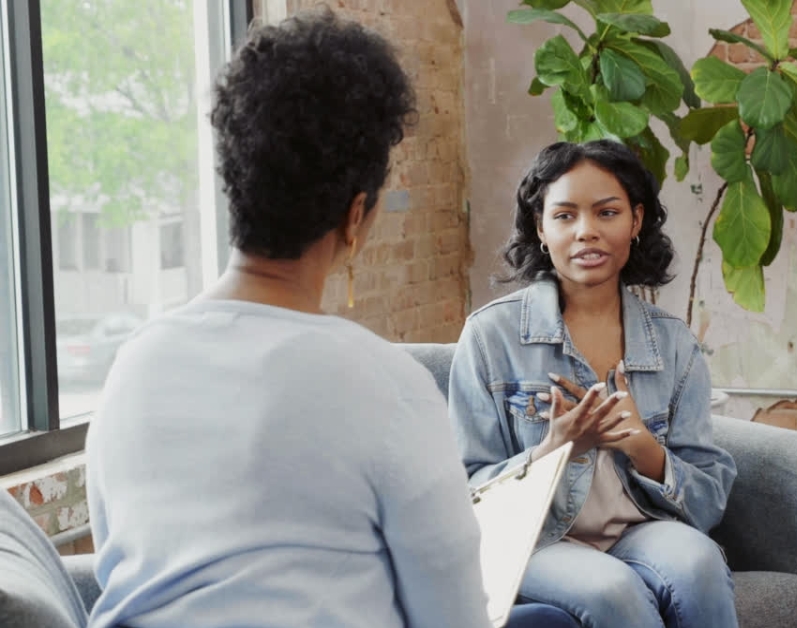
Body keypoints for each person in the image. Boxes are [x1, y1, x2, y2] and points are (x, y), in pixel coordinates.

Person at [84, 10, 575, 628]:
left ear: (236, 185)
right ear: (356, 214)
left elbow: (119, 564)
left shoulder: (135, 362)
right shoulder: (382, 382)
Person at [448, 140, 740, 628]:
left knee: (699, 561)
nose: (587, 232)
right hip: (537, 539)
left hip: (638, 529)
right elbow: (466, 494)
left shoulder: (672, 344)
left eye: (607, 213)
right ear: (541, 227)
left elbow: (707, 496)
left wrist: (645, 447)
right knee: (613, 589)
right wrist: (555, 449)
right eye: (565, 216)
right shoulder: (488, 336)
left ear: (636, 220)